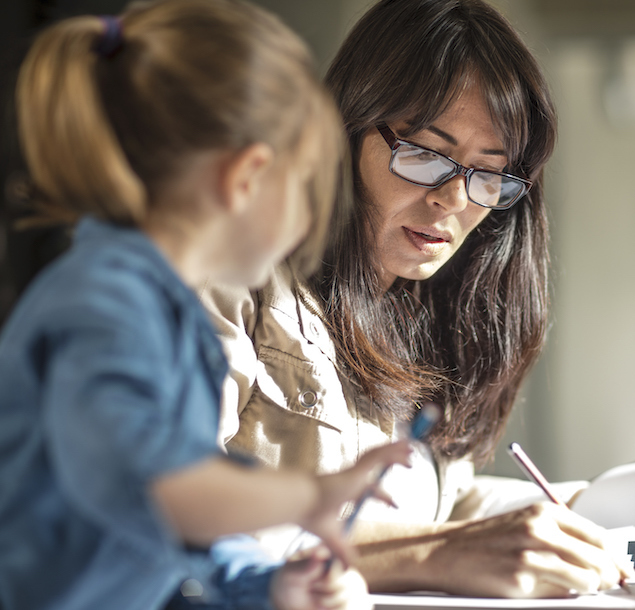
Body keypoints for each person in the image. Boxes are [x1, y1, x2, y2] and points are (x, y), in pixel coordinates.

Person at [201, 0, 623, 599]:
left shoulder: (424, 311)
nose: (454, 201)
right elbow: (170, 509)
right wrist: (433, 553)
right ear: (343, 134)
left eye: (489, 174)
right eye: (425, 155)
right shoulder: (234, 282)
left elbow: (433, 503)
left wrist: (588, 506)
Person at [0, 1, 413, 608]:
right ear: (247, 177)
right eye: (304, 186)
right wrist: (309, 497)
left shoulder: (173, 319)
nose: (308, 222)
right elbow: (159, 489)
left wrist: (265, 584)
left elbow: (174, 536)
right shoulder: (103, 306)